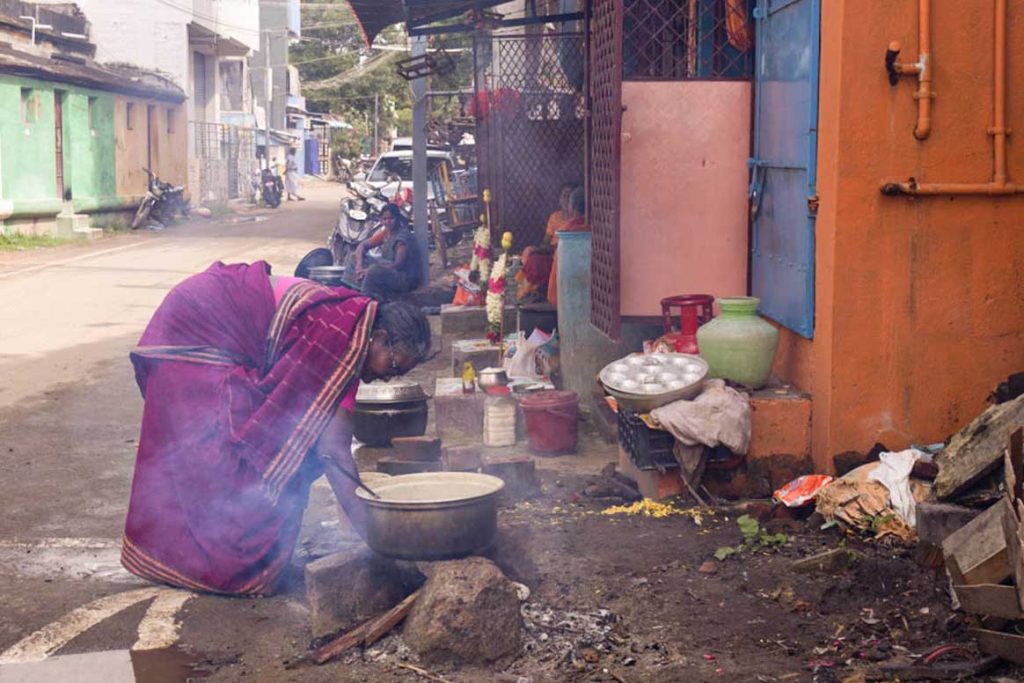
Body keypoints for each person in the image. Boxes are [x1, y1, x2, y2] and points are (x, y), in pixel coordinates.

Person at [121, 261, 431, 595]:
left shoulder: (354, 335)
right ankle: (209, 565)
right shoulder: (343, 339)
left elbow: (319, 438)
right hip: (198, 327)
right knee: (223, 454)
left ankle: (226, 557)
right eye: (394, 364)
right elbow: (334, 452)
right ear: (380, 338)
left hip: (221, 329)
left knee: (288, 453)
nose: (387, 377)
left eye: (398, 375)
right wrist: (378, 541)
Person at [515, 182, 576, 303]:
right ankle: (530, 291)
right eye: (563, 196)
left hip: (565, 255)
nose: (565, 199)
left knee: (536, 262)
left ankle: (532, 292)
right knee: (530, 253)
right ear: (559, 199)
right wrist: (540, 249)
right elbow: (546, 241)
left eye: (569, 196)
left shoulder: (575, 219)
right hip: (551, 253)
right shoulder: (554, 217)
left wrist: (550, 248)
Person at [349, 203, 423, 302]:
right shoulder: (385, 233)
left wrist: (368, 271)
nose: (388, 222)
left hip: (404, 278)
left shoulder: (402, 237)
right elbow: (362, 246)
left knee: (373, 270)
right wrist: (359, 266)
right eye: (385, 219)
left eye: (391, 218)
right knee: (354, 257)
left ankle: (365, 299)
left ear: (397, 219)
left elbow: (398, 265)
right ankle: (353, 292)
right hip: (387, 268)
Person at [546, 186, 588, 307]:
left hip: (568, 282)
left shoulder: (565, 232)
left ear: (572, 206)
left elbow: (553, 295)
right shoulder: (593, 226)